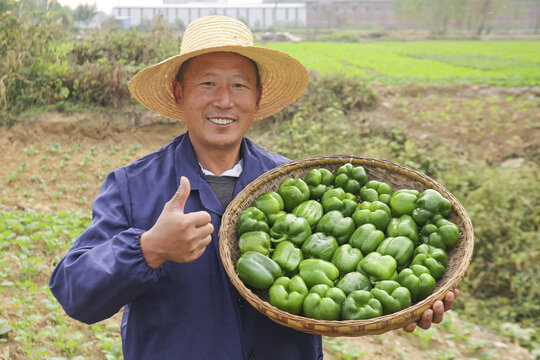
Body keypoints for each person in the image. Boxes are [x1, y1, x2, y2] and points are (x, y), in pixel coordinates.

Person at [49, 15, 458, 359]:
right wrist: (148, 249)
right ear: (179, 94)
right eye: (207, 84)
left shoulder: (295, 182)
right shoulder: (133, 186)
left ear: (258, 98)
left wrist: (409, 305)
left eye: (240, 85)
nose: (224, 101)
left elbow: (345, 292)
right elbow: (76, 294)